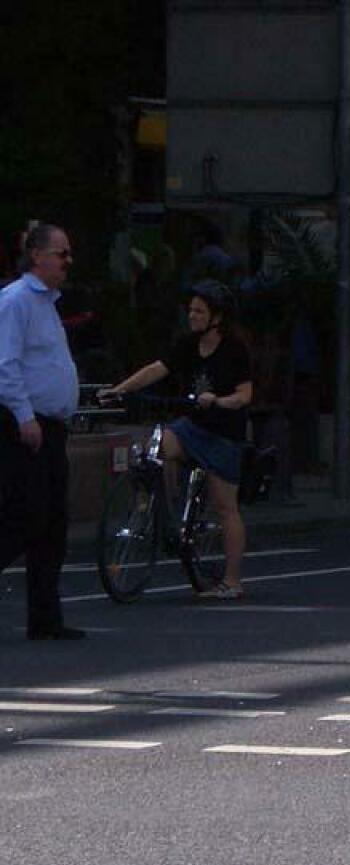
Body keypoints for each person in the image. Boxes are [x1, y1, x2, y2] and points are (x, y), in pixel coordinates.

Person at [100, 280, 253, 599]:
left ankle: (232, 581)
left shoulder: (234, 350)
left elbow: (245, 394)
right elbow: (158, 369)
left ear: (217, 317)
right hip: (192, 427)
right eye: (191, 310)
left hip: (223, 434)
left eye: (199, 311)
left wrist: (221, 401)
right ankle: (163, 511)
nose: (192, 316)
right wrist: (121, 389)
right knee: (156, 448)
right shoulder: (187, 344)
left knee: (226, 508)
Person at [0, 223, 84, 642]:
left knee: (52, 524)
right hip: (26, 426)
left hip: (51, 426)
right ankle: (44, 616)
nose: (68, 261)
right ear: (37, 255)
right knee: (22, 518)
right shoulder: (16, 301)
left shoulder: (47, 304)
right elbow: (6, 363)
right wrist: (23, 415)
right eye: (61, 253)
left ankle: (45, 618)